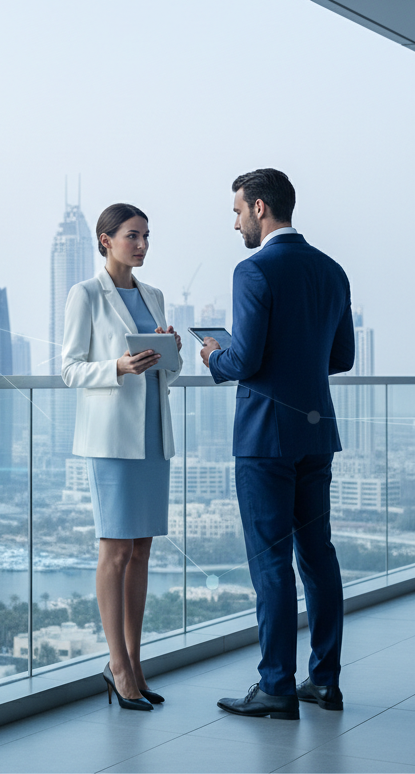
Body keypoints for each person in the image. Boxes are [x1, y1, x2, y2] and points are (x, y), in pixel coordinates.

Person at [202, 169, 354, 720]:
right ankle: (325, 683)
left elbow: (244, 360)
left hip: (265, 437)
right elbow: (342, 358)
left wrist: (213, 356)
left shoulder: (254, 270)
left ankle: (276, 687)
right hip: (315, 433)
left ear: (260, 208)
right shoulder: (332, 270)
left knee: (270, 563)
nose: (235, 223)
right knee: (318, 556)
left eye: (237, 211)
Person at [62, 203, 182, 711]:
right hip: (111, 439)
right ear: (105, 240)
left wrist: (170, 354)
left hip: (153, 434)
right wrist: (117, 366)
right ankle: (117, 666)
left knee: (142, 551)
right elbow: (70, 368)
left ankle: (135, 660)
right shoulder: (85, 294)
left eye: (147, 236)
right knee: (115, 552)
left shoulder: (154, 296)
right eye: (133, 235)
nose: (142, 245)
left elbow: (166, 374)